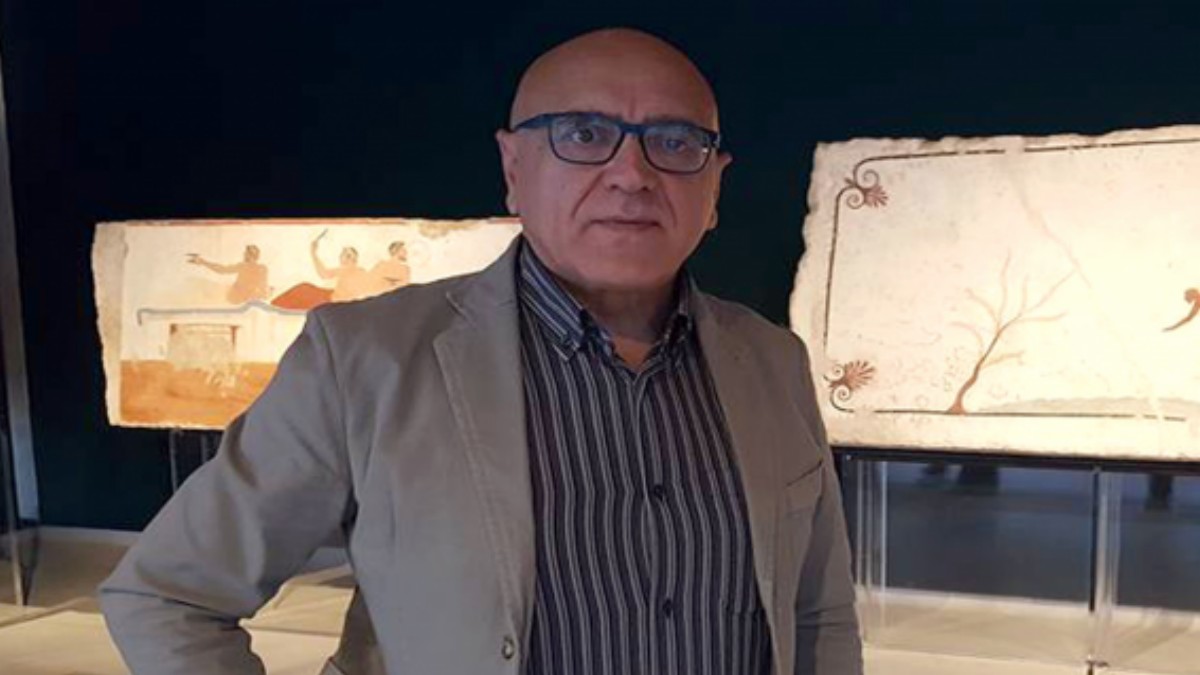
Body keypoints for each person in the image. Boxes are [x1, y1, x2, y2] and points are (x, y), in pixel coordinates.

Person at [100, 28, 862, 675]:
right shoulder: (364, 358)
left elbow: (817, 613)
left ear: (715, 186)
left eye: (674, 141)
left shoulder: (772, 362)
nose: (632, 175)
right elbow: (169, 595)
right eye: (584, 134)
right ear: (513, 169)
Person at [186, 244, 270, 305]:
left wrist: (203, 262)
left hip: (238, 299)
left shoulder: (243, 266)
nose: (243, 255)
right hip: (250, 299)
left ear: (249, 255)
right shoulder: (263, 268)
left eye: (245, 253)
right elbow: (263, 288)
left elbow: (222, 270)